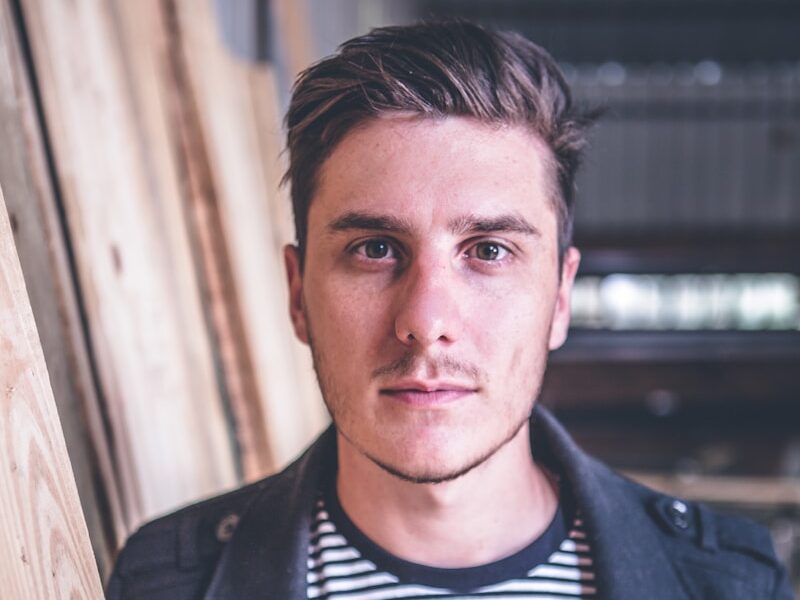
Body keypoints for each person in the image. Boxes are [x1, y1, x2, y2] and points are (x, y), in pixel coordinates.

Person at [107, 21, 793, 600]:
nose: (426, 319)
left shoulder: (728, 582)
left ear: (560, 298)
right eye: (375, 248)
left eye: (489, 251)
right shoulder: (166, 582)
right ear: (298, 294)